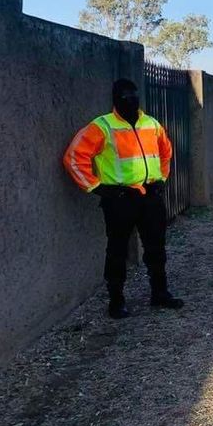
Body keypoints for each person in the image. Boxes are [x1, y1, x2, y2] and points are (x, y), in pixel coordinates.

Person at [63, 79, 184, 319]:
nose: (130, 100)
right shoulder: (102, 126)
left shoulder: (151, 123)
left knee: (156, 247)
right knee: (117, 250)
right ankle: (116, 301)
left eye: (133, 96)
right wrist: (97, 188)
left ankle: (160, 293)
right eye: (124, 96)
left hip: (150, 196)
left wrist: (161, 177)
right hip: (120, 199)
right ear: (115, 99)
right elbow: (74, 158)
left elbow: (166, 152)